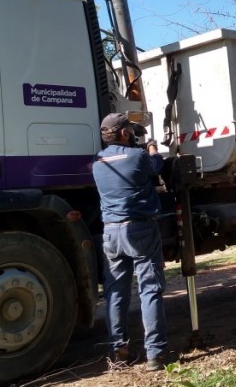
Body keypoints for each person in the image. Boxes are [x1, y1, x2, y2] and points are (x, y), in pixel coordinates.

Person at [92, 112, 172, 371]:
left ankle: (120, 352)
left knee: (116, 293)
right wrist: (152, 147)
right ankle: (155, 354)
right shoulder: (137, 156)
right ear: (125, 133)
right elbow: (156, 166)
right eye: (130, 130)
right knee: (149, 289)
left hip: (110, 233)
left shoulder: (98, 161)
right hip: (140, 230)